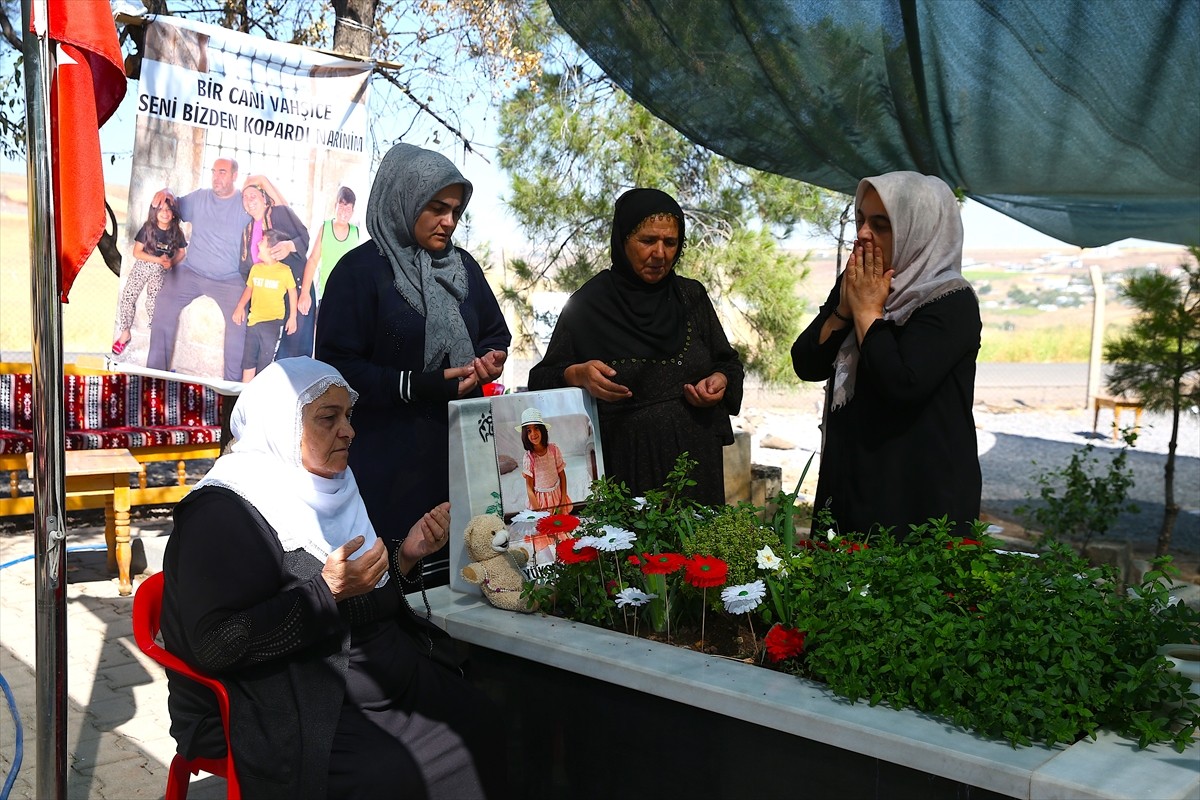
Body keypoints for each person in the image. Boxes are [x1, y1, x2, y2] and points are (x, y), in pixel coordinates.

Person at [160, 357, 505, 799]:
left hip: (359, 677)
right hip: (282, 697)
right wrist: (326, 592)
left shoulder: (330, 486)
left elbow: (358, 597)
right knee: (395, 771)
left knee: (481, 718)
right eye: (329, 418)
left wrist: (404, 556)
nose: (349, 430)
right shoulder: (220, 514)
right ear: (280, 427)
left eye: (348, 416)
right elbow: (215, 645)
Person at [316, 144, 511, 589]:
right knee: (395, 585)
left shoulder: (463, 269)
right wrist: (416, 385)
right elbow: (335, 369)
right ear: (402, 200)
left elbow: (495, 333)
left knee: (463, 576)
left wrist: (491, 359)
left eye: (456, 211)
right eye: (437, 208)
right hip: (389, 459)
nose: (449, 222)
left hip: (458, 451)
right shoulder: (359, 273)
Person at [791, 171, 982, 538]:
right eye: (861, 220)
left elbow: (902, 384)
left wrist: (867, 314)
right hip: (852, 479)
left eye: (881, 224)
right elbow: (807, 362)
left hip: (916, 495)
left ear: (918, 231)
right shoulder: (861, 282)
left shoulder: (950, 301)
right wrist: (845, 310)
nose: (863, 233)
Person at [527, 188, 744, 505]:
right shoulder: (589, 304)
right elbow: (541, 380)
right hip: (627, 472)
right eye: (647, 241)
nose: (660, 253)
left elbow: (729, 364)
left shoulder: (691, 297)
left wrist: (721, 381)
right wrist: (577, 375)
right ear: (622, 239)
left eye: (670, 242)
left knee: (699, 553)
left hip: (697, 468)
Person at [147, 159, 284, 382]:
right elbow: (173, 202)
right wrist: (167, 190)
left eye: (222, 172)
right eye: (213, 172)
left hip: (228, 280)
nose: (216, 177)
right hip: (191, 272)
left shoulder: (244, 202)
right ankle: (153, 379)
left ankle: (231, 390)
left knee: (240, 324)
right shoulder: (200, 198)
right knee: (163, 303)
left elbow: (279, 211)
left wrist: (262, 181)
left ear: (234, 176)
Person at [239, 180, 313, 360]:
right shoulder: (247, 231)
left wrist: (289, 245)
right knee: (264, 354)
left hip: (295, 289)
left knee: (295, 348)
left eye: (253, 196)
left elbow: (304, 237)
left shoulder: (280, 214)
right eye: (245, 197)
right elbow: (246, 270)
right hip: (268, 302)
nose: (249, 200)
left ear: (265, 199)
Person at [112, 196, 188, 355]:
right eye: (161, 209)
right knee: (128, 295)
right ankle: (125, 332)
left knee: (154, 300)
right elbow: (137, 253)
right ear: (155, 212)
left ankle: (158, 336)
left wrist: (171, 263)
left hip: (161, 269)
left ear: (173, 214)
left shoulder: (176, 232)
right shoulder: (148, 228)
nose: (165, 213)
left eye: (168, 209)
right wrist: (157, 259)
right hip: (144, 264)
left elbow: (182, 252)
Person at [232, 229, 298, 382]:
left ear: (272, 249)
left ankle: (259, 398)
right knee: (248, 362)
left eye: (262, 241)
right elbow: (249, 289)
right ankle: (244, 395)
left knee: (265, 364)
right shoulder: (256, 269)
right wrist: (240, 307)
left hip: (272, 324)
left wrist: (293, 317)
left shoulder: (284, 271)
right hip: (253, 322)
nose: (258, 243)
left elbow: (292, 293)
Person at [298, 186, 360, 321]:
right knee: (322, 334)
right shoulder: (325, 228)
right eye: (341, 207)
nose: (344, 212)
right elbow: (313, 260)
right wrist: (304, 292)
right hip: (326, 294)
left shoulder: (356, 233)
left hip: (348, 298)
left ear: (353, 211)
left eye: (348, 209)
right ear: (335, 206)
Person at [518, 407, 572, 513]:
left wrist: (562, 501)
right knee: (544, 528)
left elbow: (562, 476)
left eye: (536, 428)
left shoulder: (553, 450)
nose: (533, 433)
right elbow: (529, 488)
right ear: (525, 434)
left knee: (561, 526)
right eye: (529, 431)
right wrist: (539, 512)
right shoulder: (529, 458)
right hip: (540, 503)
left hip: (558, 496)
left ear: (542, 429)